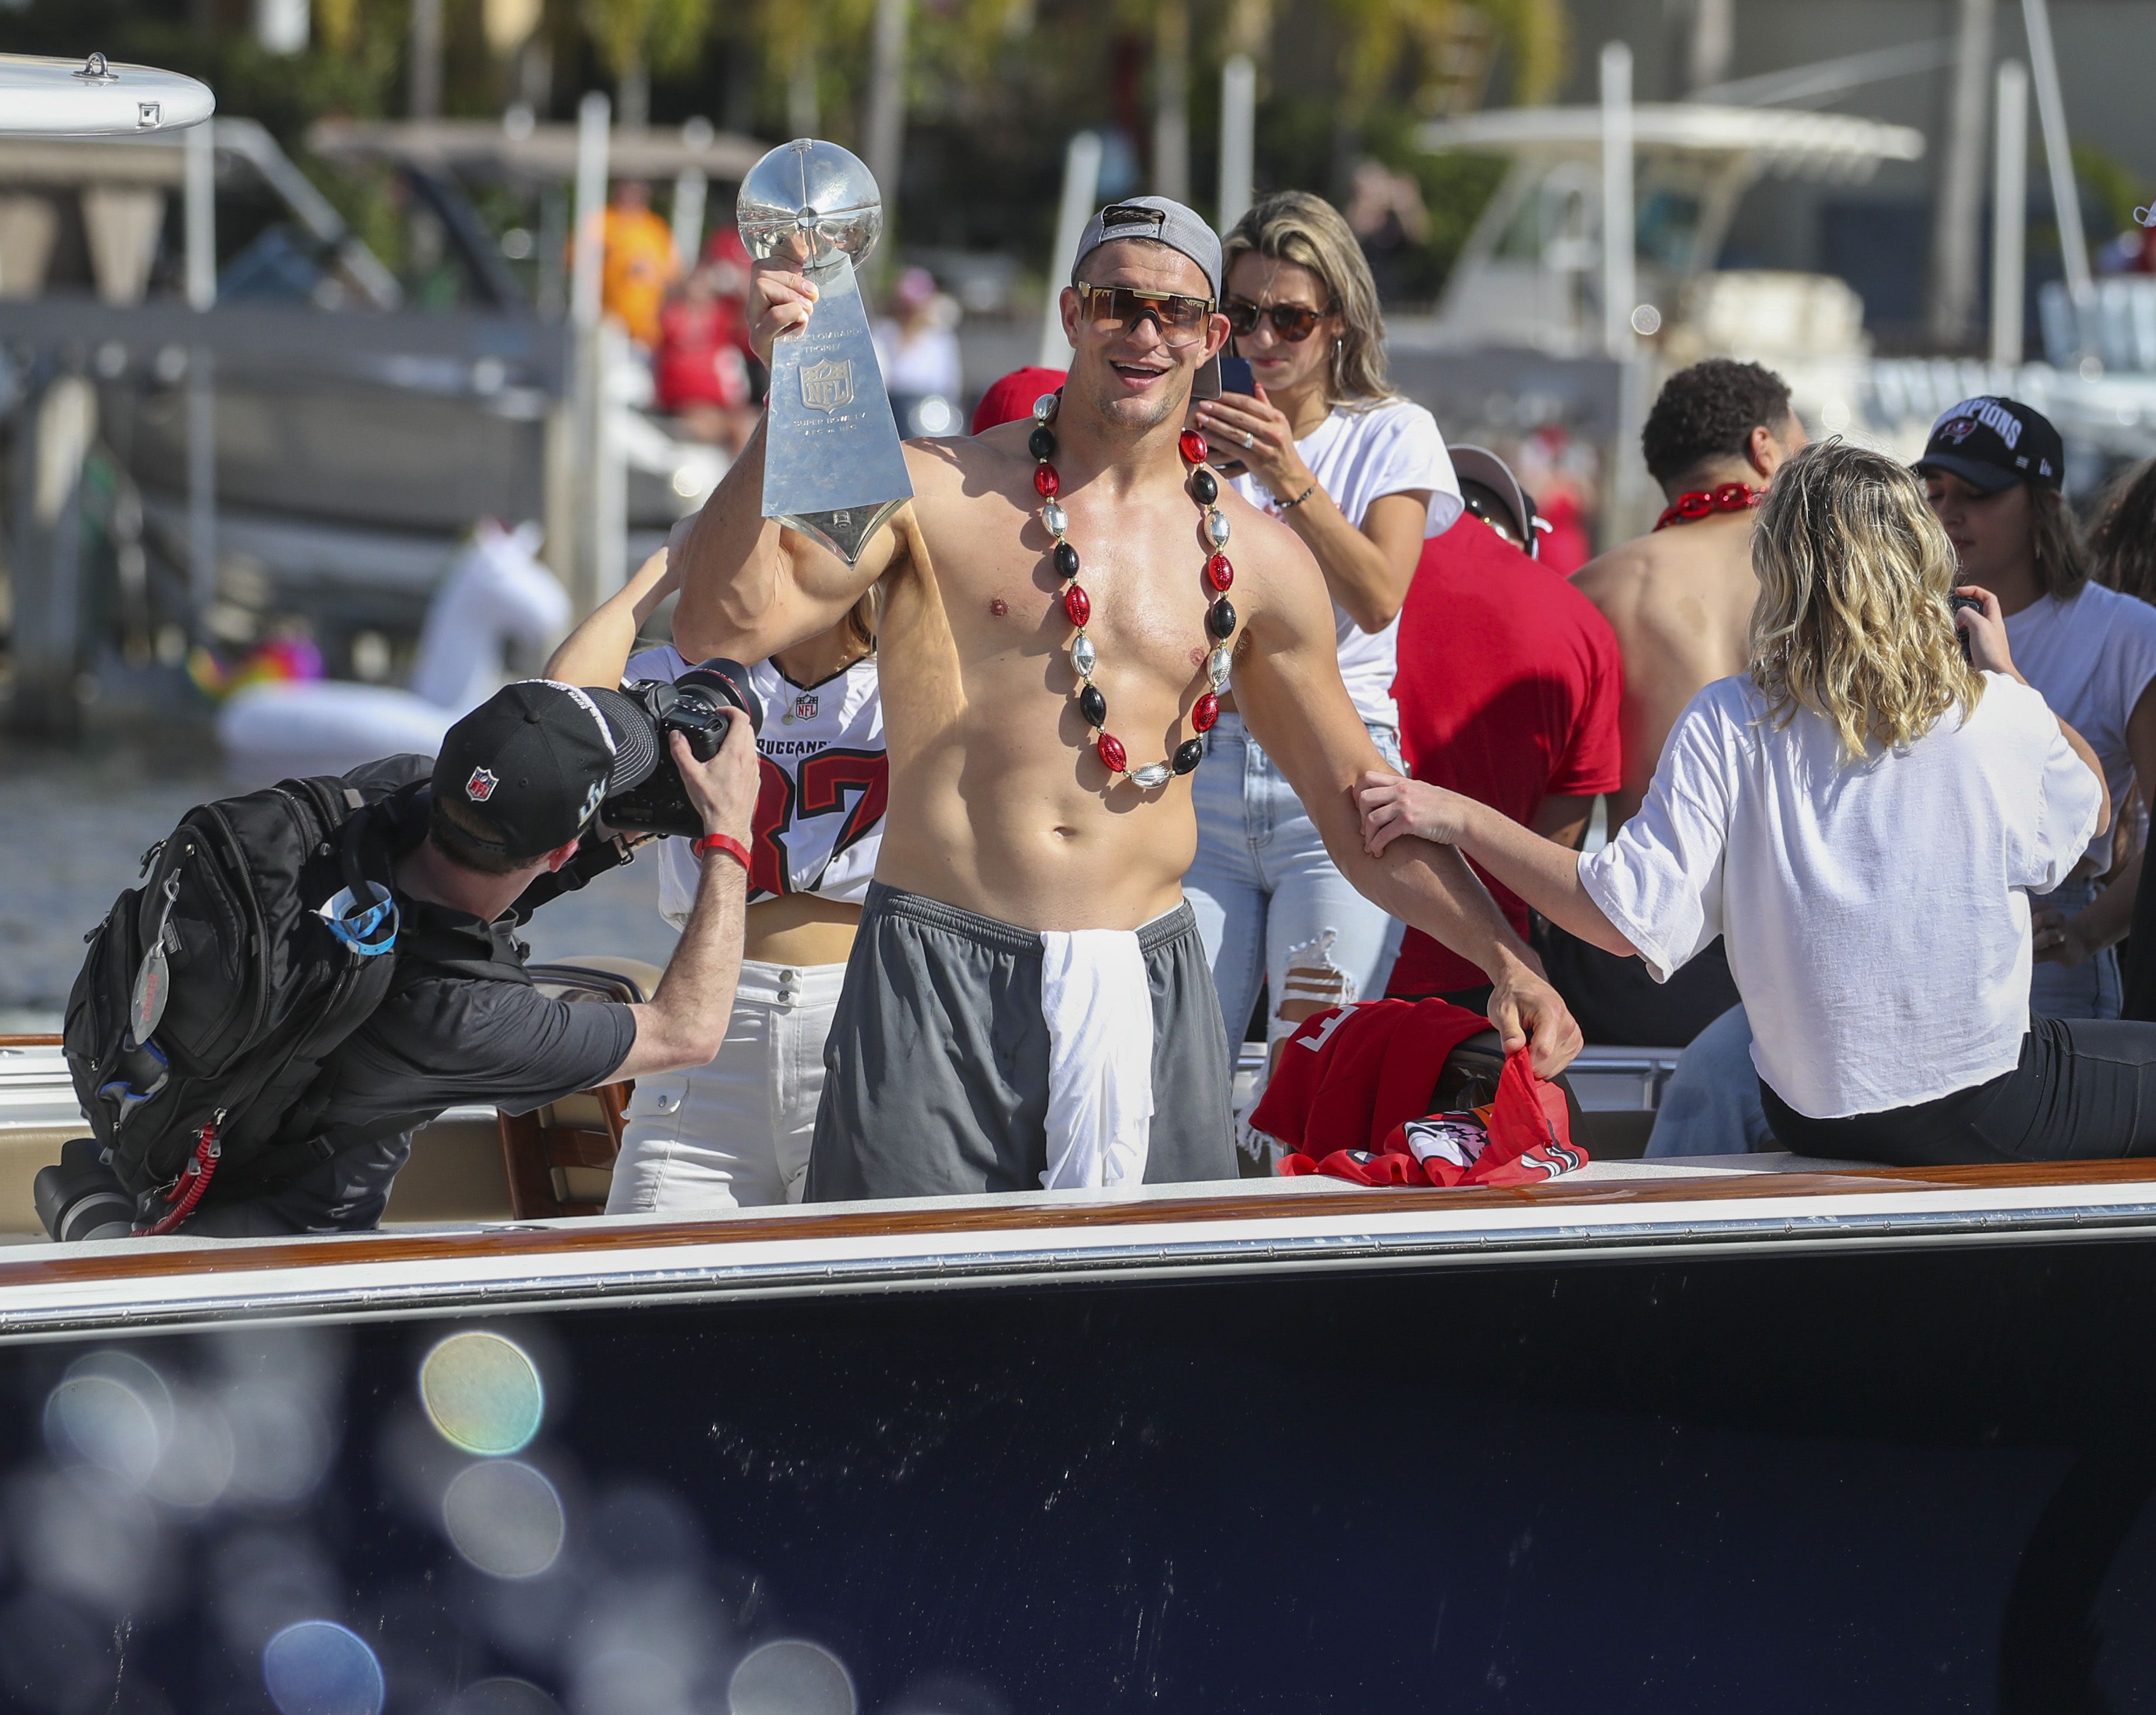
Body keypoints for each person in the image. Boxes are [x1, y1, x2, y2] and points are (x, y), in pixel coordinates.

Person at [670, 193, 1579, 1202]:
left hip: (1146, 976)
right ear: (1071, 314)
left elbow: (1360, 804)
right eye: (1116, 305)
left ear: (1212, 336)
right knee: (908, 1313)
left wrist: (1507, 959)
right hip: (938, 963)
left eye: (1174, 314)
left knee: (1146, 1324)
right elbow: (721, 623)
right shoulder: (935, 490)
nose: (1144, 333)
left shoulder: (1262, 562)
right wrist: (787, 396)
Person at [1357, 440, 2156, 1171]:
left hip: (1811, 1114)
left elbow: (1617, 915)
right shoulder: (1989, 709)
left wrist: (1458, 815)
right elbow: (2088, 820)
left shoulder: (1729, 716)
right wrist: (2012, 680)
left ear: (1779, 570)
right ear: (1920, 563)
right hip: (1978, 1105)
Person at [186, 678, 761, 1234]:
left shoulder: (381, 795)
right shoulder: (465, 1016)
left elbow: (483, 866)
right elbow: (688, 1032)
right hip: (292, 1261)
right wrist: (728, 833)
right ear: (562, 850)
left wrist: (612, 836)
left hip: (171, 1145)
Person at [1179, 189, 1461, 1122]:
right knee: (1182, 1071)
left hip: (1337, 779)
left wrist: (1287, 480)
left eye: (1290, 317)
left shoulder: (1389, 432)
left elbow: (1378, 597)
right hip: (1205, 769)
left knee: (1314, 1069)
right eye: (1244, 315)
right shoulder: (1186, 435)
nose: (1263, 339)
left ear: (1337, 320)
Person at [544, 544, 885, 1212]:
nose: (780, 568)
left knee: (849, 1301)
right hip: (708, 1028)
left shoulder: (908, 674)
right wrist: (671, 562)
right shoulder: (692, 678)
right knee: (643, 1285)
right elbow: (560, 712)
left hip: (858, 1019)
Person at [1564, 358, 1807, 1048]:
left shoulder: (1593, 590)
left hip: (1651, 953)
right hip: (1800, 950)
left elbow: (1563, 813)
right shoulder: (1831, 583)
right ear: (1766, 450)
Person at [1920, 398, 2156, 1020]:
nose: (1950, 513)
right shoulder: (1898, 624)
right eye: (1935, 492)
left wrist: (2089, 932)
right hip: (1917, 930)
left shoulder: (2125, 631)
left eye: (1977, 492)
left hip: (2046, 939)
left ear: (2046, 505)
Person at [1384, 450, 1624, 1012]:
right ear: (1523, 534)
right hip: (1484, 973)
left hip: (1308, 952)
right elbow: (1555, 848)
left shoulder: (1338, 577)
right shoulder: (1579, 623)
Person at [873, 265, 963, 436]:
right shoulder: (882, 333)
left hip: (929, 418)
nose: (910, 312)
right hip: (892, 417)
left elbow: (950, 387)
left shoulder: (941, 339)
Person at [589, 179, 678, 349]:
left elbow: (673, 273)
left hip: (647, 328)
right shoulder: (602, 221)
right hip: (608, 322)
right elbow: (577, 259)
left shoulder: (656, 228)